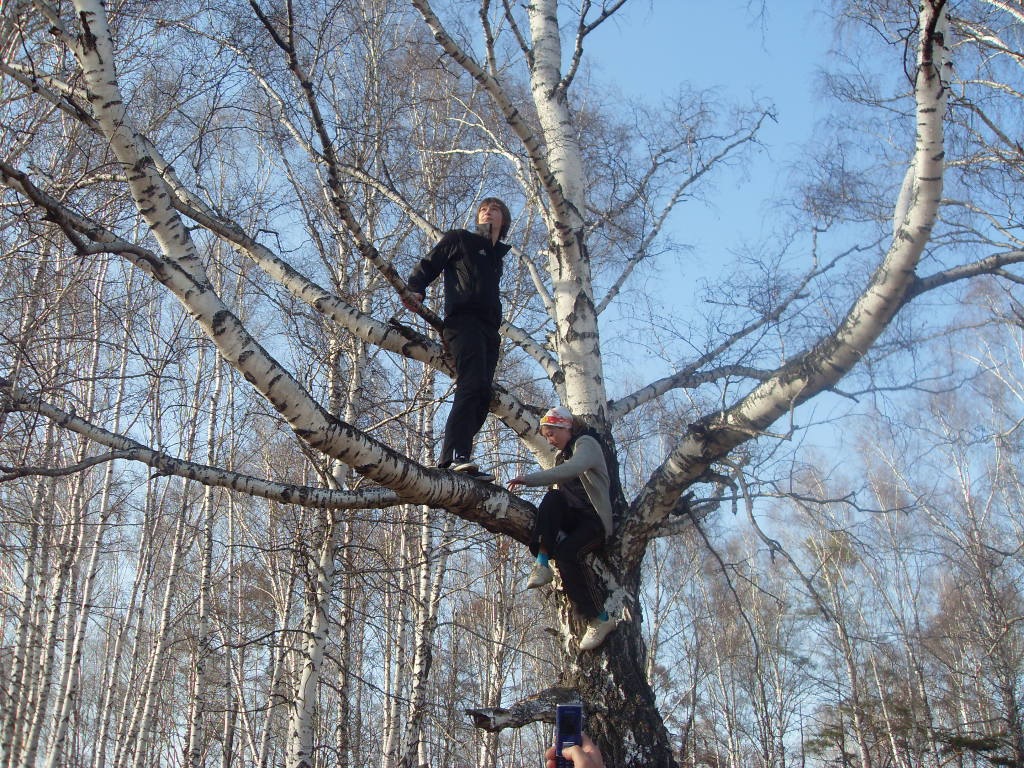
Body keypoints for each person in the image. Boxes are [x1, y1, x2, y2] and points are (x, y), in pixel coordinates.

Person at [403, 198, 512, 482]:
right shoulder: (460, 239)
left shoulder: (497, 258)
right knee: (471, 384)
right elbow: (429, 263)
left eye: (495, 209)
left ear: (504, 220)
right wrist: (415, 289)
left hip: (489, 330)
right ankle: (452, 457)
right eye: (483, 209)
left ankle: (463, 458)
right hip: (463, 322)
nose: (487, 212)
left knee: (483, 395)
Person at [508, 406, 617, 651]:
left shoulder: (586, 443)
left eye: (551, 434)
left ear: (565, 427)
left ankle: (601, 619)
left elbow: (573, 469)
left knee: (568, 554)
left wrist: (530, 479)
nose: (549, 440)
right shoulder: (562, 455)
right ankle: (541, 562)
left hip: (594, 521)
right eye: (546, 436)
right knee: (552, 498)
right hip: (573, 518)